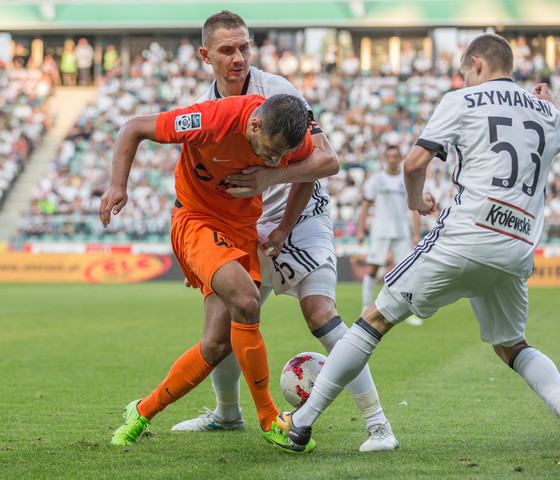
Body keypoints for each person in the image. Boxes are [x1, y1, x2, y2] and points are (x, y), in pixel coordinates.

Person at [277, 33, 560, 450]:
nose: (463, 80)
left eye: (465, 72)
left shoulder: (461, 101)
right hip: (518, 244)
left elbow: (414, 163)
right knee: (512, 345)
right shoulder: (549, 112)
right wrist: (550, 105)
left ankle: (301, 423)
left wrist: (416, 199)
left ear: (477, 64)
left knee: (373, 320)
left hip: (465, 236)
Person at [169, 10, 399, 453]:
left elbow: (327, 161)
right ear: (205, 56)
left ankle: (379, 426)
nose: (238, 58)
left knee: (320, 314)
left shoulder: (278, 93)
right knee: (221, 331)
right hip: (246, 230)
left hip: (301, 217)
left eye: (244, 47)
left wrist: (268, 184)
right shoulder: (205, 109)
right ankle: (226, 415)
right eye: (227, 50)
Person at [100, 93, 318, 453]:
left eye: (281, 156)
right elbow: (133, 127)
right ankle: (269, 420)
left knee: (216, 345)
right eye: (271, 151)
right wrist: (117, 184)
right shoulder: (210, 119)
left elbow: (308, 172)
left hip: (244, 229)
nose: (276, 161)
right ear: (254, 124)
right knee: (247, 301)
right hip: (197, 220)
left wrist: (282, 229)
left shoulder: (292, 132)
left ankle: (141, 411)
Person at [357, 145, 422, 325]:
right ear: (384, 158)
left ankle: (408, 311)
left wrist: (416, 233)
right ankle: (365, 307)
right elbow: (365, 206)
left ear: (400, 158)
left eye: (395, 156)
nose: (392, 160)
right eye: (389, 157)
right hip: (380, 229)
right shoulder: (376, 180)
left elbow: (415, 207)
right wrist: (361, 229)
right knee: (372, 268)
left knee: (405, 272)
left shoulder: (406, 179)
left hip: (402, 230)